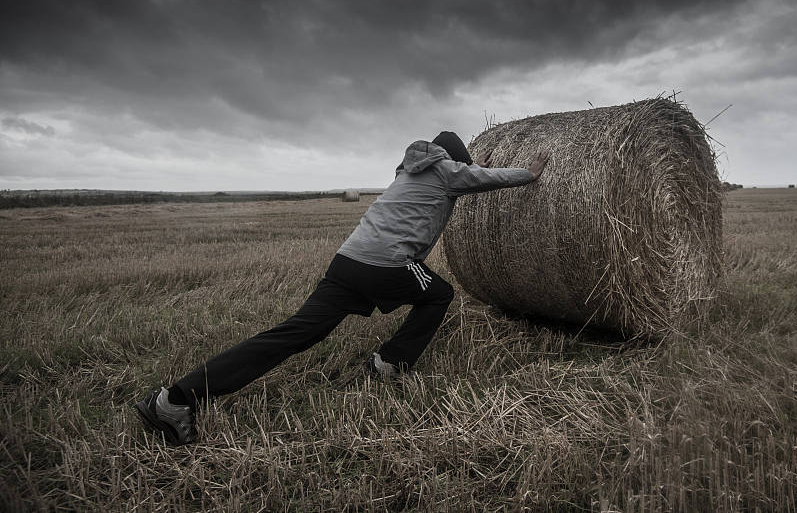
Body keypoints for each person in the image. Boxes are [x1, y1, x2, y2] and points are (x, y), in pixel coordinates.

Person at [135, 131, 550, 446]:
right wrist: (528, 173)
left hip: (347, 262)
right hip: (387, 265)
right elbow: (481, 177)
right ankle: (389, 364)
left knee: (293, 334)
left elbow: (468, 175)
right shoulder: (446, 171)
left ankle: (174, 399)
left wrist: (479, 165)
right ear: (453, 160)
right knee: (439, 295)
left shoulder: (409, 172)